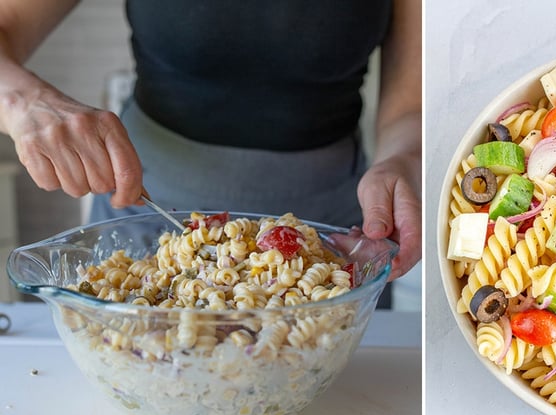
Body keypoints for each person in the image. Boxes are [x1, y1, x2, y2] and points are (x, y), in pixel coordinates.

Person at [0, 0, 421, 286]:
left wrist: (403, 158)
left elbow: (410, 107)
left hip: (329, 236)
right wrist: (23, 101)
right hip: (144, 219)